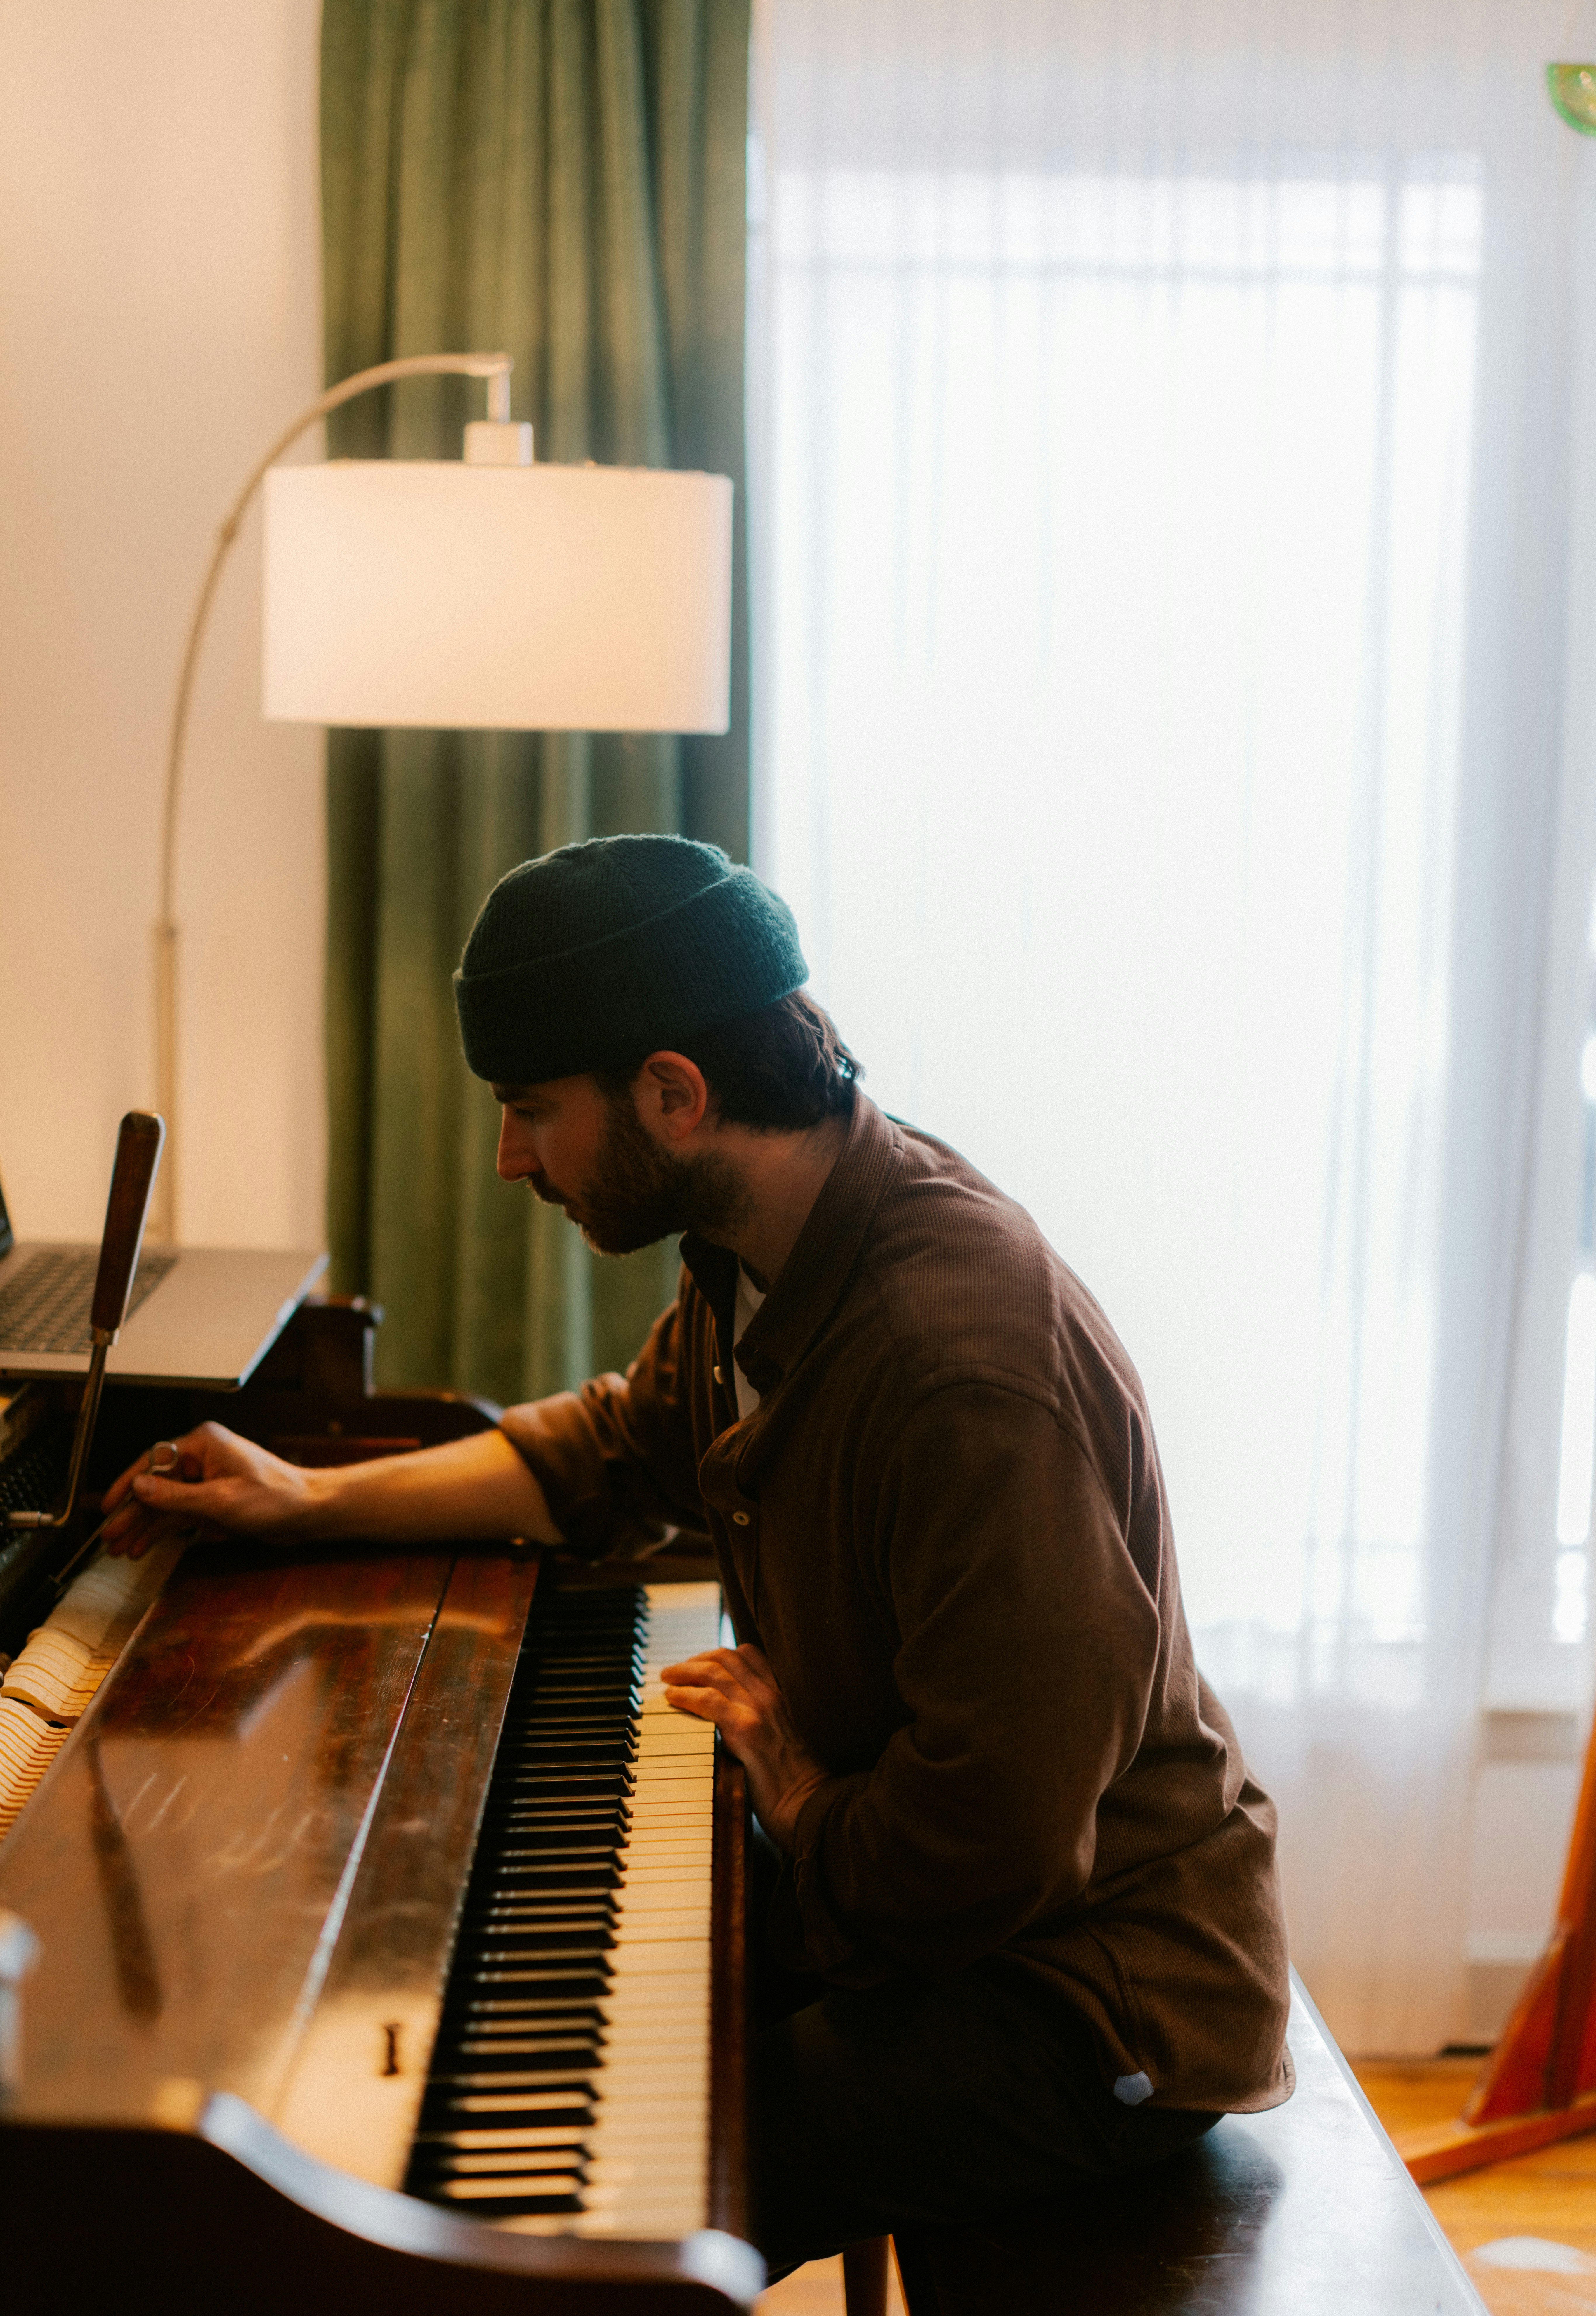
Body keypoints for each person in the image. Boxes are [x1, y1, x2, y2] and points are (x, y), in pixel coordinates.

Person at [103, 833, 1292, 2273]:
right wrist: (304, 1498)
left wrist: (789, 1778)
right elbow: (620, 1442)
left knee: (608, 2189)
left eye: (531, 1109)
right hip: (935, 1895)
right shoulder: (767, 1236)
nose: (510, 1158)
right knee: (552, 1992)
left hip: (1091, 1993)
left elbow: (992, 1852)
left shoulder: (962, 1368)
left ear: (674, 1091)